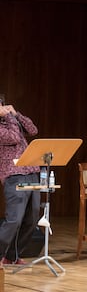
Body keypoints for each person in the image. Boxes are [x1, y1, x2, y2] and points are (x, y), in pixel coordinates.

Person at [0, 99, 40, 266]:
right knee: (14, 220)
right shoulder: (4, 127)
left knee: (32, 218)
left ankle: (12, 256)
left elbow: (32, 129)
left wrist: (16, 114)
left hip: (31, 171)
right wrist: (9, 117)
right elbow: (15, 137)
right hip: (14, 175)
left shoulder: (11, 120)